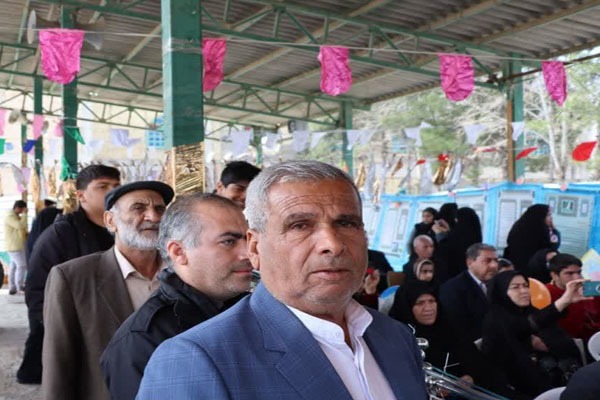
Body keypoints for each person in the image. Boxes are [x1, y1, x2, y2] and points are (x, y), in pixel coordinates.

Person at [138, 160, 427, 399]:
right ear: (254, 248)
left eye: (346, 223)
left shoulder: (395, 338)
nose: (332, 244)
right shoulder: (196, 360)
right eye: (300, 225)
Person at [101, 193, 252, 400]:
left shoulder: (249, 308)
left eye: (248, 238)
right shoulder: (142, 340)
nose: (248, 253)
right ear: (179, 252)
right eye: (228, 242)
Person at [41, 181, 174, 400]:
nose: (153, 216)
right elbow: (59, 360)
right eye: (139, 208)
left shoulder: (182, 273)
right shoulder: (73, 278)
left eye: (160, 209)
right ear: (111, 221)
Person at [17, 164, 121, 384]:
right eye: (102, 186)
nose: (112, 192)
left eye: (116, 186)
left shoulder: (122, 230)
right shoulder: (61, 234)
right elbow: (37, 289)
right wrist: (56, 327)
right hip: (77, 327)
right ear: (81, 196)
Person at [391, 281, 523, 399]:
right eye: (420, 303)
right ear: (407, 307)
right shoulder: (401, 339)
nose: (428, 308)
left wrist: (470, 377)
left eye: (432, 301)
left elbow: (479, 364)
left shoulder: (450, 329)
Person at [482, 270, 584, 398]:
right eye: (515, 287)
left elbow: (553, 333)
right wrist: (564, 301)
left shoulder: (528, 310)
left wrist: (547, 344)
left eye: (526, 286)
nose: (524, 291)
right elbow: (526, 325)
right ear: (501, 292)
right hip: (518, 387)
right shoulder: (495, 320)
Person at [439, 243, 499, 342]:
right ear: (470, 263)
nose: (494, 265)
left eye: (496, 260)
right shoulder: (453, 289)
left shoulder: (498, 284)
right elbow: (457, 327)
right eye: (487, 261)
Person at [546, 253, 600, 344]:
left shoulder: (589, 288)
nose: (577, 277)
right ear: (554, 275)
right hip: (568, 344)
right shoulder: (546, 294)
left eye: (579, 272)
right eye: (569, 273)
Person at [503, 204, 560, 271]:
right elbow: (553, 247)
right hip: (532, 271)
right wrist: (554, 230)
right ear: (540, 216)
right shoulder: (541, 230)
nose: (551, 218)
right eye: (548, 215)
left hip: (514, 268)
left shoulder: (519, 226)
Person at [437, 207, 482, 278]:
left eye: (457, 219)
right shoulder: (475, 236)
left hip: (453, 275)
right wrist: (449, 231)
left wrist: (439, 234)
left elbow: (445, 251)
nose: (455, 221)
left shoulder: (458, 237)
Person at [4, 200, 28, 295]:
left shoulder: (16, 216)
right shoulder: (10, 216)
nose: (23, 211)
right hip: (14, 246)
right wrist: (25, 215)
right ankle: (19, 286)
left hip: (16, 245)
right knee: (21, 265)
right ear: (18, 208)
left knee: (13, 267)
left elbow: (22, 228)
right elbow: (20, 226)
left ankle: (12, 287)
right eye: (22, 209)